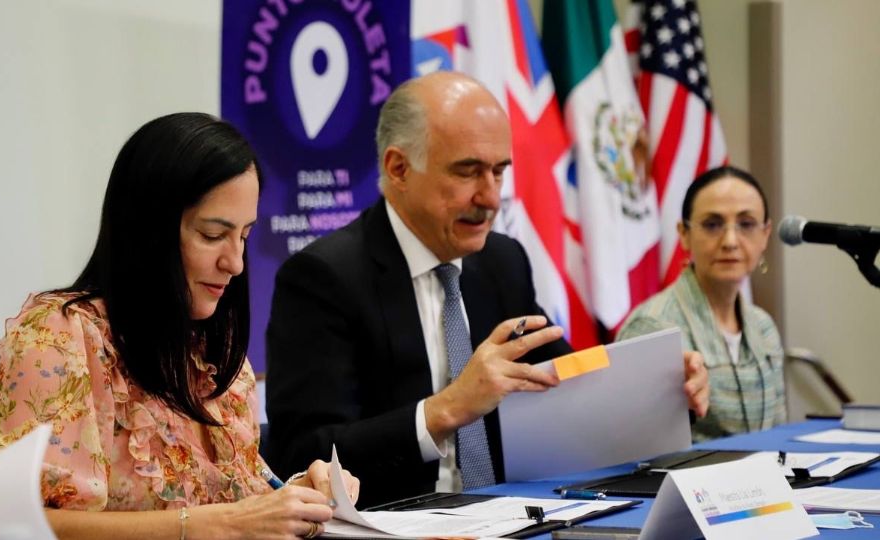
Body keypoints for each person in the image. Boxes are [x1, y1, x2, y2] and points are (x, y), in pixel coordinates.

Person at [265, 71, 709, 507]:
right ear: (398, 168)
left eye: (499, 172)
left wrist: (660, 384)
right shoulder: (324, 277)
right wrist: (446, 409)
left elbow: (563, 375)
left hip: (515, 511)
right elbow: (303, 454)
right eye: (468, 172)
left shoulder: (502, 261)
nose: (491, 197)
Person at [0, 113, 359, 540]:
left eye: (245, 236)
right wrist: (204, 526)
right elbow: (9, 525)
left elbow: (240, 511)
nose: (234, 263)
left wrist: (297, 499)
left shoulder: (217, 354)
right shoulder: (60, 337)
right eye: (214, 235)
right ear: (148, 232)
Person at [618, 165, 785, 441]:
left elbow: (779, 436)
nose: (730, 241)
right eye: (712, 225)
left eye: (746, 224)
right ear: (684, 234)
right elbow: (631, 446)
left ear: (765, 234)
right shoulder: (653, 327)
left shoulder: (763, 326)